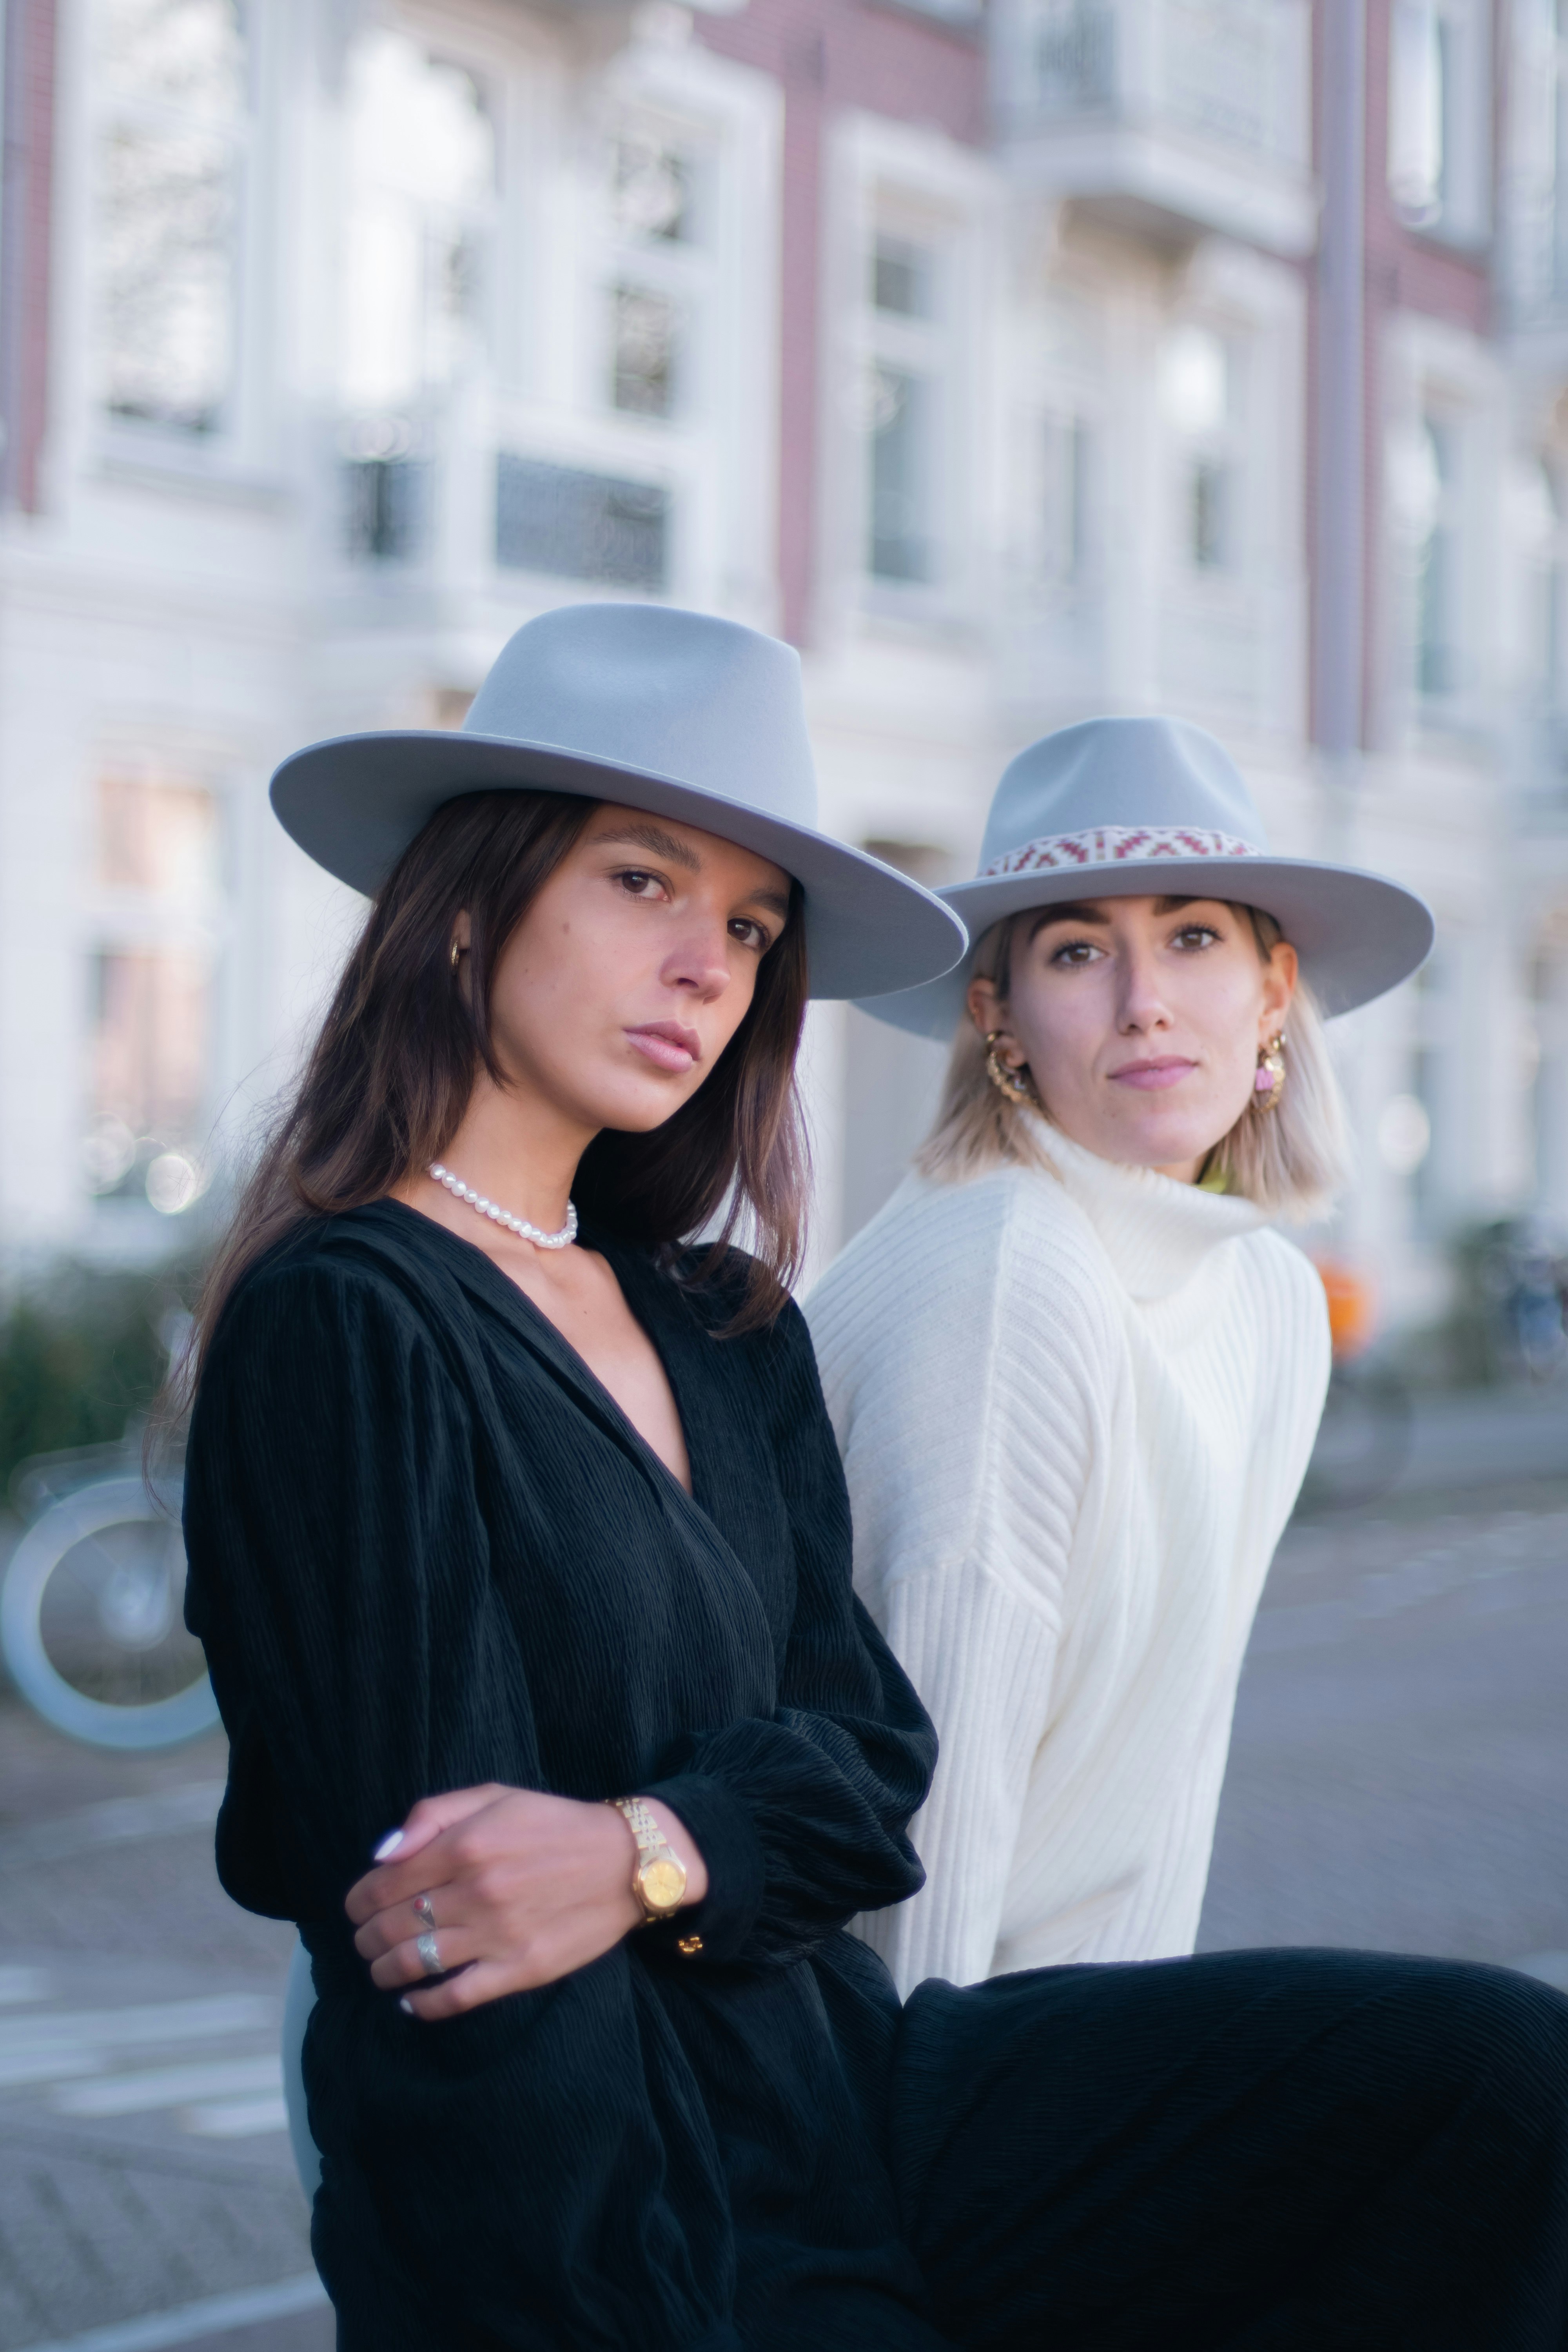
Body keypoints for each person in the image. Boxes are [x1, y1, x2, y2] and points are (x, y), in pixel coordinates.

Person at [180, 621, 1568, 2352]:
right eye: (640, 883)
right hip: (626, 2203)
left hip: (867, 2091)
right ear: (466, 904)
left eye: (753, 927)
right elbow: (455, 1958)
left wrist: (650, 1848)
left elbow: (865, 1776)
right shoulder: (348, 1324)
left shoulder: (717, 1317)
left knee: (1498, 2085)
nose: (708, 966)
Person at [806, 717, 1434, 1995]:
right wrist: (926, 2174)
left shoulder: (1265, 1295)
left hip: (1072, 2038)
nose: (1145, 1002)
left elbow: (1160, 1792)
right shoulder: (1001, 1272)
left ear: (1272, 989)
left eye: (1193, 936)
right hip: (891, 2064)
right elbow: (918, 1825)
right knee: (1494, 2075)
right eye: (1081, 950)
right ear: (1001, 1017)